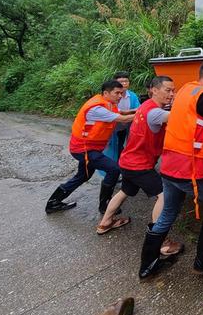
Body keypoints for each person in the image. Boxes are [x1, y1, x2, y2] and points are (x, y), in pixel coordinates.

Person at [138, 60, 203, 280]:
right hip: (191, 170)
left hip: (169, 167)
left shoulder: (188, 89)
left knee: (168, 212)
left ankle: (147, 266)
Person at [95, 76, 175, 239]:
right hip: (139, 165)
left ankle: (105, 222)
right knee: (164, 195)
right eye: (168, 90)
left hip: (127, 161)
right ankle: (159, 240)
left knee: (125, 191)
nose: (172, 94)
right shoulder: (155, 112)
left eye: (173, 90)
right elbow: (178, 117)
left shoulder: (146, 105)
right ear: (154, 90)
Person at [45, 80, 135, 214]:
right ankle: (105, 206)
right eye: (117, 93)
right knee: (114, 169)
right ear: (106, 93)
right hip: (84, 149)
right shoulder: (96, 109)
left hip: (87, 149)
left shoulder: (108, 104)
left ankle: (53, 203)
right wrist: (145, 114)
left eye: (121, 93)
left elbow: (122, 112)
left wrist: (137, 110)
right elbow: (122, 119)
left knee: (83, 176)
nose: (120, 96)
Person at [102, 72, 140, 165]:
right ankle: (111, 170)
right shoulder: (110, 97)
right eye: (121, 82)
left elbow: (138, 109)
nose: (124, 84)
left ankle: (118, 167)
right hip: (111, 128)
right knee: (110, 148)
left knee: (120, 146)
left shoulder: (132, 96)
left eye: (126, 81)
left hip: (124, 127)